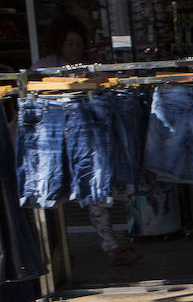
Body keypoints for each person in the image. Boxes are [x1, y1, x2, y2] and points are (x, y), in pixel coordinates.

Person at [36, 14, 140, 267]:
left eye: (78, 44)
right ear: (59, 44)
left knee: (96, 192)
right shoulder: (44, 68)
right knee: (54, 193)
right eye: (70, 44)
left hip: (86, 138)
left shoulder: (90, 66)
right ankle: (54, 252)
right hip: (56, 138)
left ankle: (110, 246)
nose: (75, 49)